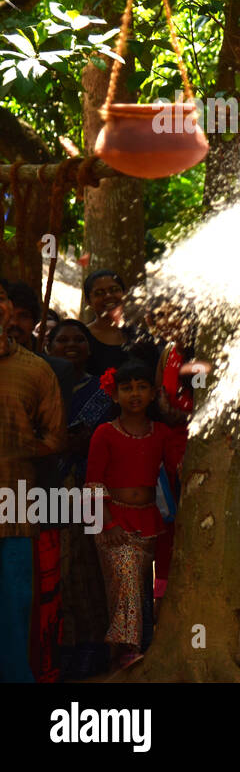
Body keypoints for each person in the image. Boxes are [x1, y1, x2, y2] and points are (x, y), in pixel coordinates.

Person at [85, 360, 183, 672]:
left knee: (139, 587)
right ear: (114, 395)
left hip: (149, 520)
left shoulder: (162, 433)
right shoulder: (104, 433)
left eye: (142, 387)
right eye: (127, 388)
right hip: (113, 521)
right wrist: (108, 523)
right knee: (125, 582)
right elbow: (93, 483)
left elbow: (178, 466)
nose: (135, 394)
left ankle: (138, 650)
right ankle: (125, 650)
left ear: (153, 393)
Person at [0, 282, 63, 683]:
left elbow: (54, 438)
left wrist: (20, 446)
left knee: (12, 610)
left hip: (14, 513)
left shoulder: (36, 370)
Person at [45, 318, 114, 679]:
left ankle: (93, 647)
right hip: (48, 488)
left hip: (91, 487)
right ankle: (62, 648)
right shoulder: (43, 384)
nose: (71, 345)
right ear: (49, 346)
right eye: (62, 339)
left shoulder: (103, 392)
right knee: (60, 566)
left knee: (91, 566)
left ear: (89, 348)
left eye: (79, 339)